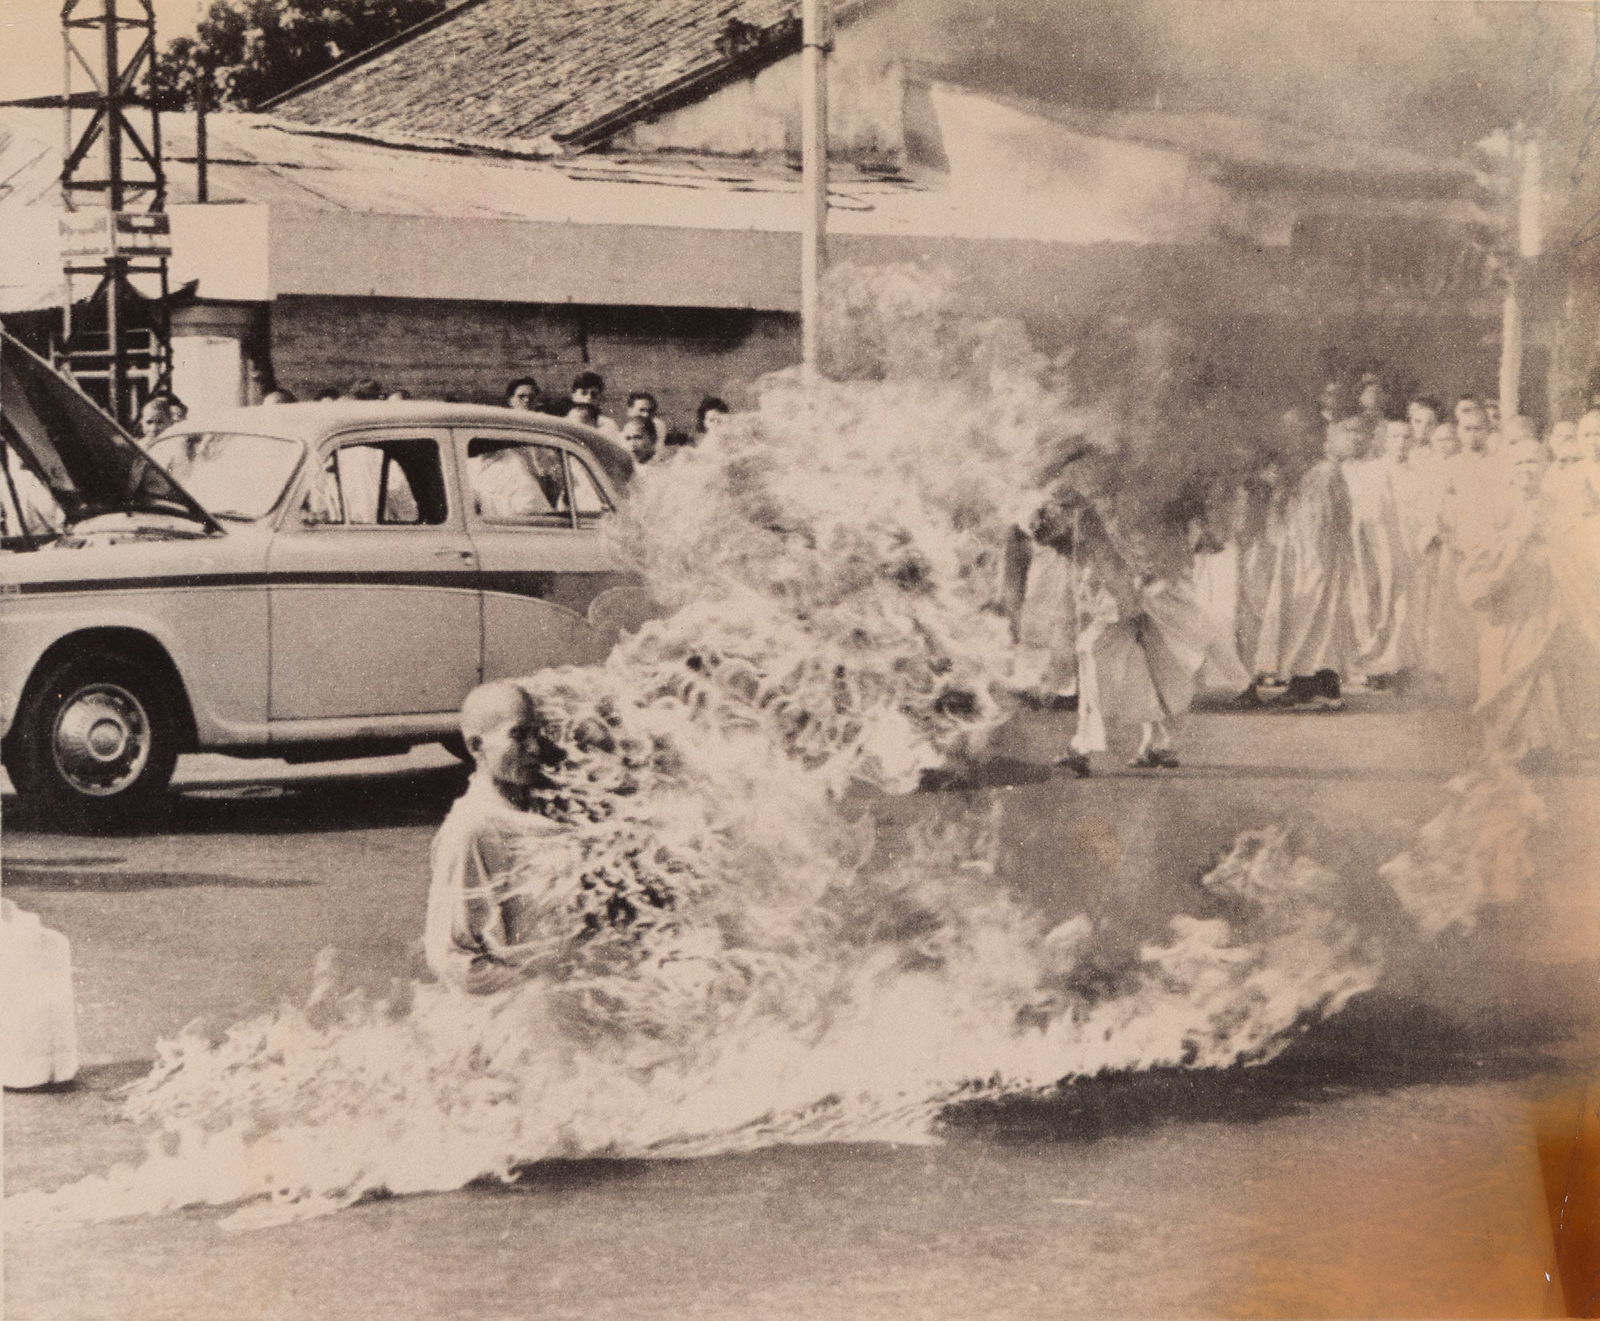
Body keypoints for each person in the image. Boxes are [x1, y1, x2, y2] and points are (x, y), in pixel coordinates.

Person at [424, 682, 568, 994]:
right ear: (476, 746)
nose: (535, 748)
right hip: (525, 1003)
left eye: (537, 733)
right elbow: (452, 959)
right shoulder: (474, 828)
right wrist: (544, 994)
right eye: (519, 735)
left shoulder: (537, 808)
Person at [1252, 409, 1358, 709]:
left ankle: (1315, 686)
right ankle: (1307, 683)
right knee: (1304, 616)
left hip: (1318, 557)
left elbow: (1327, 522)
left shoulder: (1323, 474)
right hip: (1302, 555)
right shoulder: (1302, 474)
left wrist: (1314, 559)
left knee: (1316, 615)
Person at [1343, 416, 1414, 686]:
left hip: (1409, 549)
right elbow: (1364, 515)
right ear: (1384, 441)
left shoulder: (1417, 474)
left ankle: (1397, 664)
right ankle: (1373, 664)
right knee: (1374, 603)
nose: (1401, 443)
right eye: (1395, 437)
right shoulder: (1371, 471)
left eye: (1406, 437)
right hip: (1378, 548)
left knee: (1404, 608)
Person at [566, 371, 622, 438]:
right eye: (584, 393)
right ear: (574, 395)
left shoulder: (608, 426)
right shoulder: (564, 423)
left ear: (599, 399)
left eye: (594, 395)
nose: (589, 397)